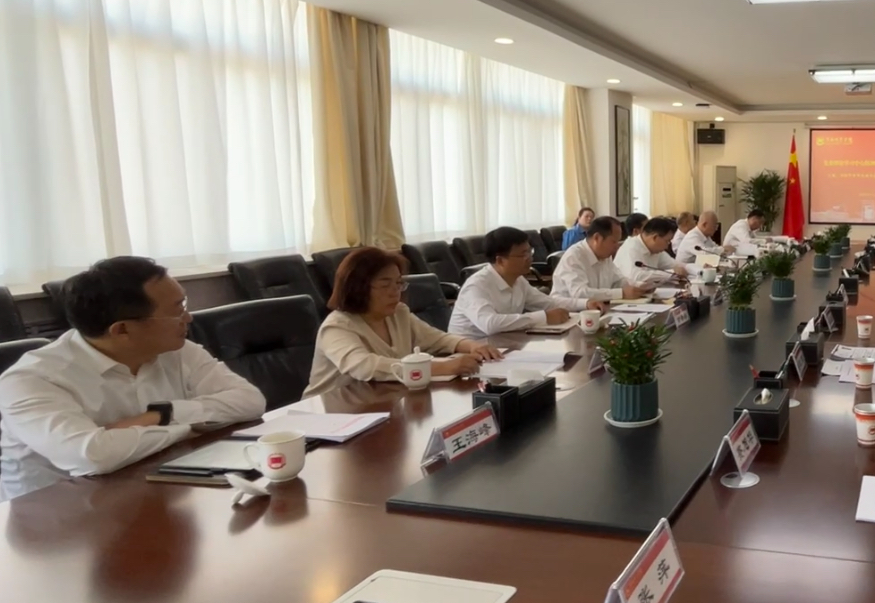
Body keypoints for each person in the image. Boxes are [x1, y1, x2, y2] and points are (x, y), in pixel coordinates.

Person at [0, 256, 265, 500]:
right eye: (177, 310)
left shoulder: (176, 350)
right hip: (56, 514)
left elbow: (250, 401)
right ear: (122, 330)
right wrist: (189, 427)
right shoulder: (30, 380)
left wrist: (161, 415)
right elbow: (92, 456)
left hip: (153, 488)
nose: (188, 317)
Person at [307, 248, 501, 396]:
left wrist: (472, 346)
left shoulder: (398, 313)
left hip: (381, 402)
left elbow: (437, 339)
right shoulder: (337, 326)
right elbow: (365, 367)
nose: (395, 292)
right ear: (358, 288)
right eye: (385, 285)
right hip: (329, 415)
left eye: (399, 283)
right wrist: (445, 367)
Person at [449, 227, 584, 338]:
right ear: (500, 260)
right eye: (522, 254)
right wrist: (544, 317)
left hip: (503, 345)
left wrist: (586, 303)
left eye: (530, 252)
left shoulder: (518, 280)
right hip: (468, 352)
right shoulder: (476, 286)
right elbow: (490, 324)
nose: (530, 258)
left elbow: (549, 303)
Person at [553, 216, 649, 303]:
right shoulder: (574, 256)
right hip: (568, 312)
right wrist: (621, 293)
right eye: (613, 242)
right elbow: (580, 293)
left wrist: (640, 286)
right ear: (597, 238)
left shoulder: (605, 255)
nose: (617, 247)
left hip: (599, 309)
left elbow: (619, 281)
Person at [615, 215, 688, 288]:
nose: (667, 246)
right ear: (655, 238)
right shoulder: (631, 248)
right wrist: (670, 273)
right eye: (667, 241)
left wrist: (681, 269)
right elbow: (636, 276)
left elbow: (675, 265)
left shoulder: (655, 250)